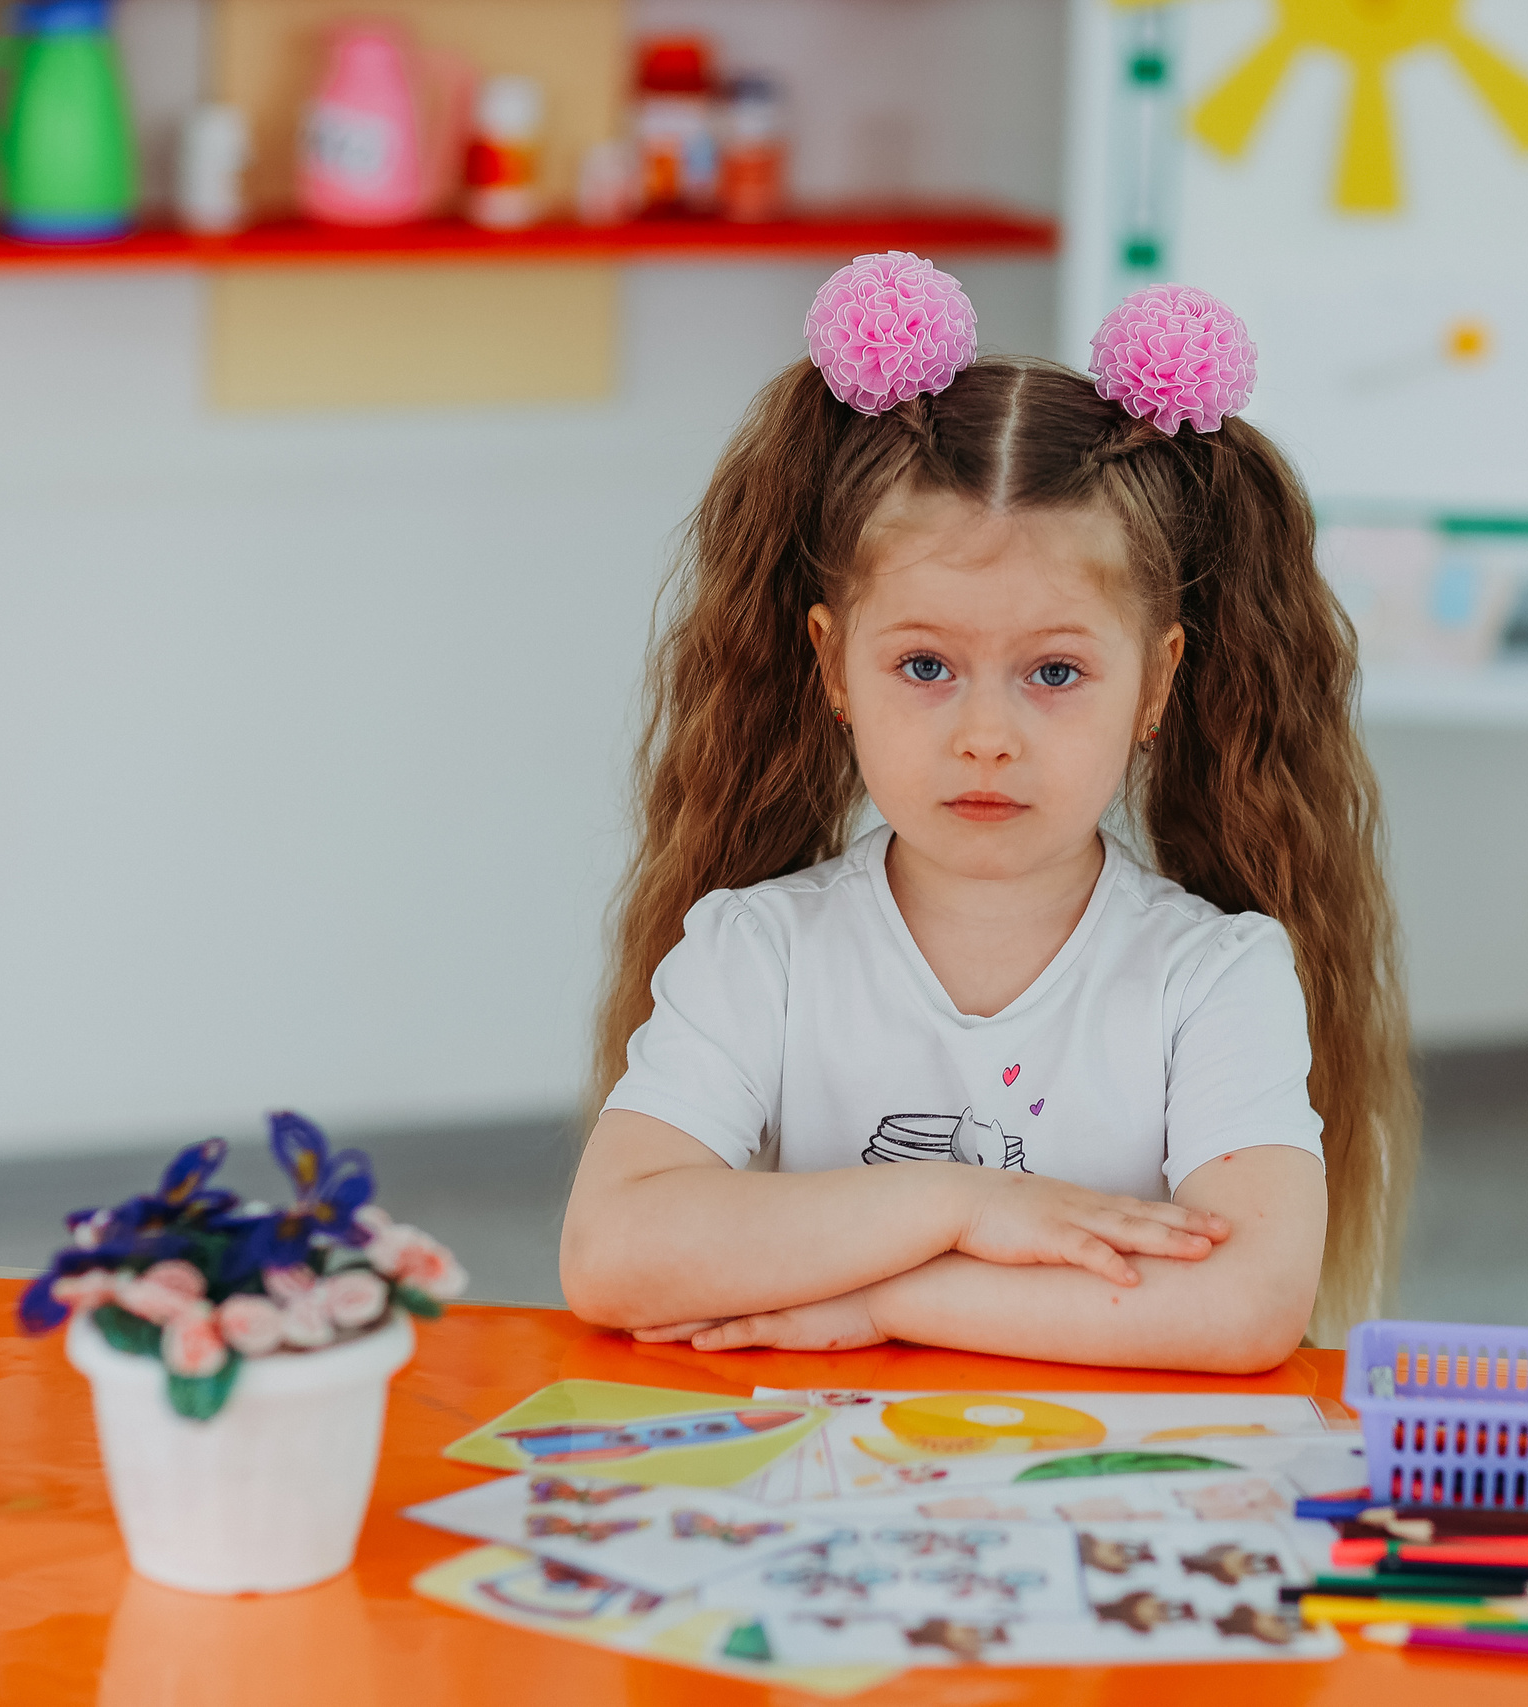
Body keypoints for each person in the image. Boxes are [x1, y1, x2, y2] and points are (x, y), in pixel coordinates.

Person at [559, 253, 1416, 1370]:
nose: (986, 736)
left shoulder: (1216, 976)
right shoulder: (755, 950)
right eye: (924, 666)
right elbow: (614, 1252)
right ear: (833, 667)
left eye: (1054, 673)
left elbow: (1247, 1304)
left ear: (1155, 684)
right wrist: (966, 1206)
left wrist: (887, 1303)